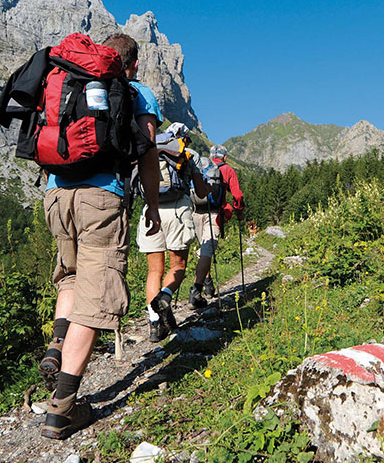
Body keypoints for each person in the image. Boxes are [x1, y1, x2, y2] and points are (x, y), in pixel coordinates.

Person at [38, 33, 162, 440]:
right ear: (134, 63)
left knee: (71, 277)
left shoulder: (66, 74)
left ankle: (57, 345)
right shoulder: (135, 90)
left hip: (56, 194)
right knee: (97, 297)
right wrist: (152, 205)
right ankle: (63, 408)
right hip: (100, 197)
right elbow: (147, 152)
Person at [137, 122, 209, 341]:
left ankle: (154, 324)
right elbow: (200, 192)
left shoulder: (150, 147)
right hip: (178, 209)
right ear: (184, 137)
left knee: (154, 271)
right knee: (177, 266)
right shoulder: (190, 153)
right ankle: (165, 297)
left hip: (151, 209)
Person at [189, 144, 245, 309]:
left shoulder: (199, 166)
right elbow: (238, 195)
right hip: (213, 214)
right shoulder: (227, 170)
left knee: (202, 250)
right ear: (225, 157)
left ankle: (207, 284)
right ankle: (197, 290)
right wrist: (239, 212)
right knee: (207, 251)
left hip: (194, 213)